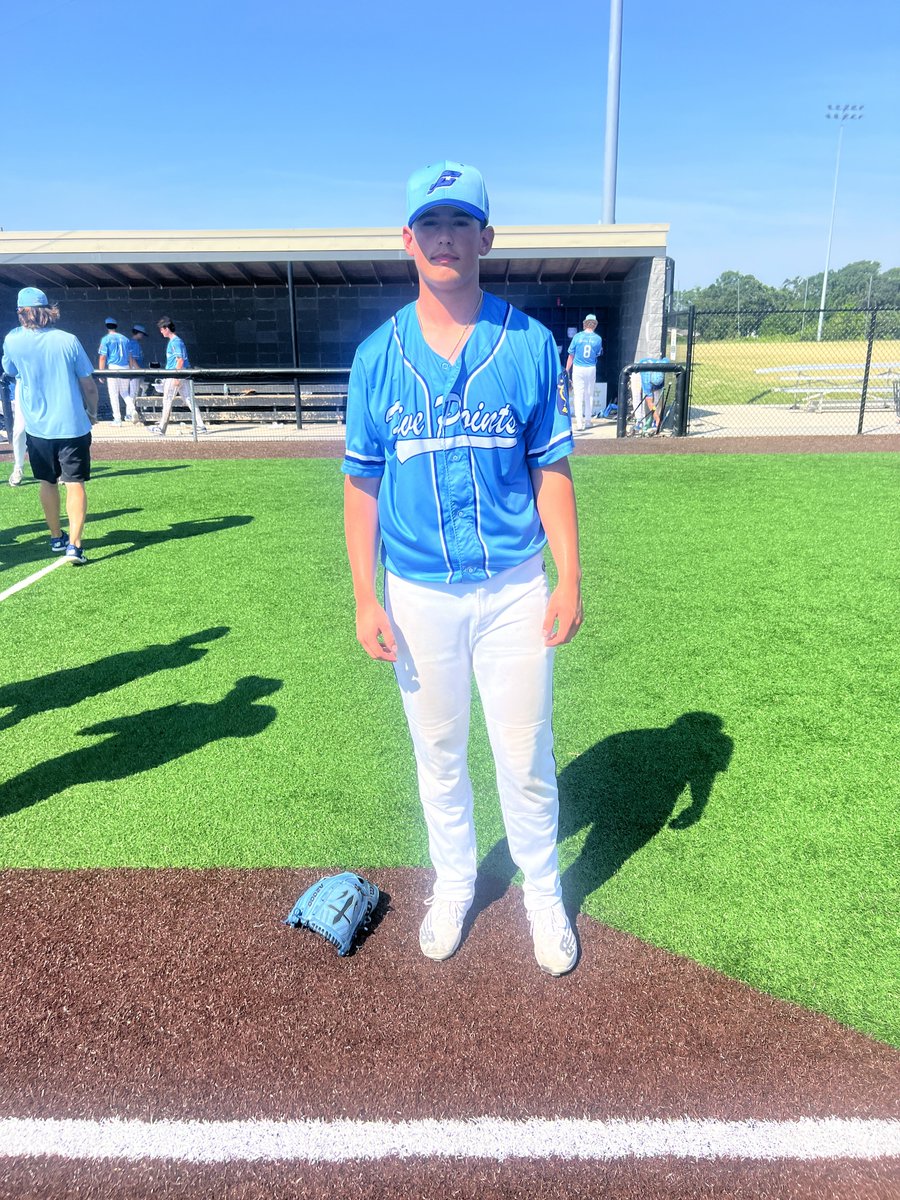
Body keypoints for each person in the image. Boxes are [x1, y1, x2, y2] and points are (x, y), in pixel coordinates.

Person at [343, 161, 583, 977]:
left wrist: (571, 576)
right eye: (431, 223)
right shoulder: (377, 357)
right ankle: (454, 881)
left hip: (514, 585)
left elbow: (552, 468)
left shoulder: (530, 343)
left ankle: (544, 889)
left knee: (524, 753)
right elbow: (361, 484)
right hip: (417, 595)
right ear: (407, 238)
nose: (446, 238)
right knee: (438, 752)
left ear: (487, 236)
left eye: (461, 222)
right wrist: (363, 596)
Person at [1, 287, 99, 564]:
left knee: (47, 481)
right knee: (74, 483)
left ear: (21, 312)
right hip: (72, 425)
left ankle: (57, 537)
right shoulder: (68, 340)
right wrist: (92, 412)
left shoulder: (12, 340)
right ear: (48, 310)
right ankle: (75, 545)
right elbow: (89, 385)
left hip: (37, 428)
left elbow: (10, 370)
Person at [152, 318, 207, 436]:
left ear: (167, 328)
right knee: (189, 400)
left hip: (175, 374)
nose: (161, 332)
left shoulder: (175, 342)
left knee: (167, 400)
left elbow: (180, 360)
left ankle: (161, 428)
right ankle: (201, 426)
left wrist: (176, 377)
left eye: (162, 329)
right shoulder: (175, 341)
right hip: (181, 374)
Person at [565, 314, 603, 431]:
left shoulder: (577, 337)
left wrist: (567, 370)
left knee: (578, 395)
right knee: (589, 395)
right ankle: (588, 421)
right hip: (591, 367)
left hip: (578, 368)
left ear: (584, 324)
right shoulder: (598, 339)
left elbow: (571, 355)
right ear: (595, 324)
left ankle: (579, 423)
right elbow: (598, 353)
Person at [98, 317, 138, 424]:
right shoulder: (125, 339)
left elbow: (102, 357)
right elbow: (130, 356)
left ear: (106, 327)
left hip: (113, 368)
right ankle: (132, 410)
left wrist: (101, 373)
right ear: (116, 326)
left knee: (113, 394)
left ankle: (117, 419)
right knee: (124, 392)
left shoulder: (106, 339)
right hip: (125, 368)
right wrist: (130, 370)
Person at [126, 323, 150, 418]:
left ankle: (137, 410)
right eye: (142, 334)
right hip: (135, 371)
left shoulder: (131, 342)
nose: (143, 336)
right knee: (133, 392)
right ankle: (129, 414)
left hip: (136, 371)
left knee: (143, 387)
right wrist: (139, 370)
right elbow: (132, 359)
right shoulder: (134, 344)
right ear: (138, 333)